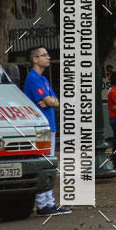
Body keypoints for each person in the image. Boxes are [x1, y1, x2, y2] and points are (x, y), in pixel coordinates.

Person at [23, 46, 71, 214]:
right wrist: (50, 101)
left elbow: (54, 101)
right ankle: (44, 204)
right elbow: (49, 101)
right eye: (44, 55)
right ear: (35, 59)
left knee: (49, 165)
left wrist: (51, 100)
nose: (48, 58)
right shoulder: (33, 78)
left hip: (49, 126)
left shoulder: (43, 80)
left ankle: (48, 203)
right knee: (45, 166)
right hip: (41, 128)